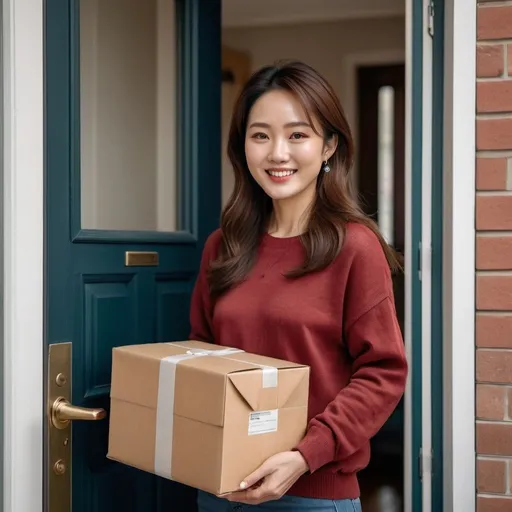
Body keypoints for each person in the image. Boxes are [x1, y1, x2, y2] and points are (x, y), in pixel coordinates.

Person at [189, 60, 408, 512]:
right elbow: (201, 353)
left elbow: (383, 374)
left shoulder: (356, 248)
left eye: (297, 134)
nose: (277, 153)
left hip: (309, 493)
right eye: (261, 135)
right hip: (219, 487)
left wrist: (305, 456)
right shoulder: (223, 246)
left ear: (329, 145)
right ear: (242, 147)